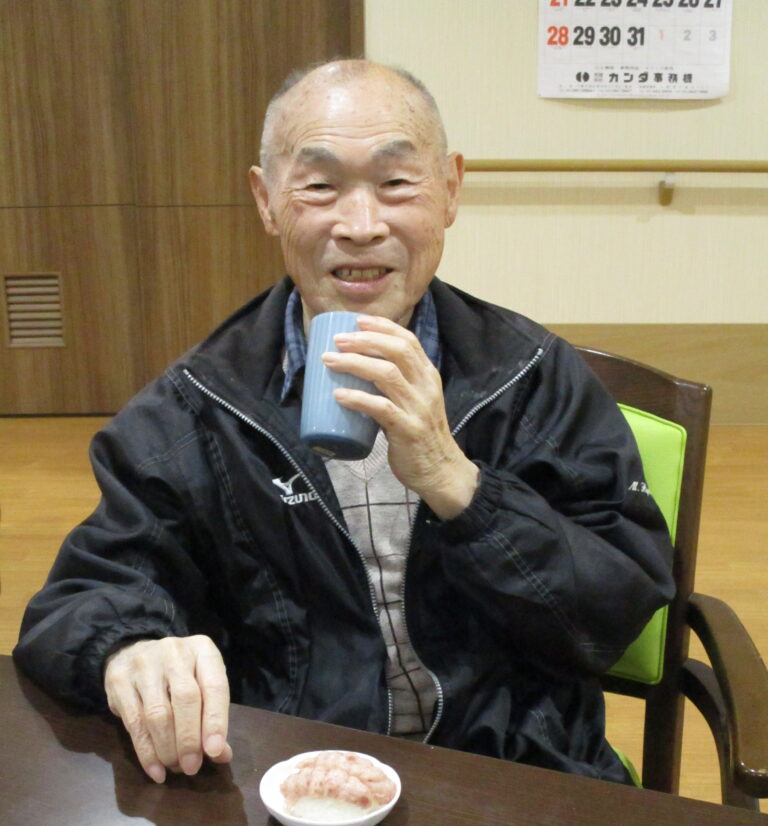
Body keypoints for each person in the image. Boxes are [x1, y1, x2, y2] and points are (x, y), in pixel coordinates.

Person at [14, 59, 674, 786]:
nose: (361, 227)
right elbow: (84, 595)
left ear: (451, 189)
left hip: (513, 774)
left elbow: (614, 615)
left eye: (396, 183)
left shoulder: (532, 377)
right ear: (266, 201)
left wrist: (460, 485)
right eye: (320, 186)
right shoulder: (196, 405)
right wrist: (128, 648)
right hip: (290, 778)